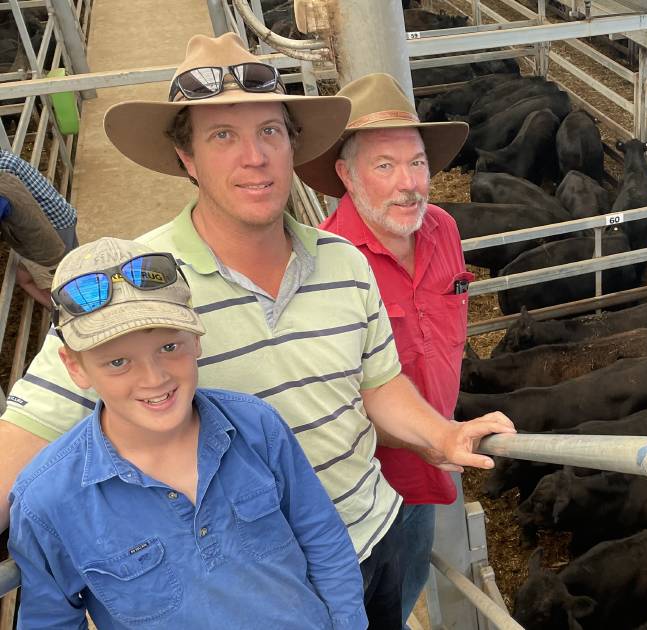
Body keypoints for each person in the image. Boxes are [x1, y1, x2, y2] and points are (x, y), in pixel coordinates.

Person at [0, 33, 514, 628]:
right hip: (263, 585)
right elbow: (26, 434)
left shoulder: (345, 261)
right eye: (224, 136)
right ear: (186, 159)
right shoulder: (136, 285)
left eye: (270, 131)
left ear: (293, 147)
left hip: (376, 528)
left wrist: (442, 434)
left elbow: (378, 383)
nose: (255, 156)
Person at [7, 237, 367, 629]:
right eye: (117, 361)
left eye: (168, 346)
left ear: (196, 338)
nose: (154, 378)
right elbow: (49, 621)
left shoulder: (257, 427)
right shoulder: (46, 501)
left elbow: (322, 537)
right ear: (74, 367)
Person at [296, 73, 471, 629]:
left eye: (417, 163)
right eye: (385, 166)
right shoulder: (324, 265)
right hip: (359, 485)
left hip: (430, 463)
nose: (409, 184)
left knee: (407, 583)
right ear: (345, 176)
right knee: (355, 605)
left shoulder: (443, 228)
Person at [0, 148, 80, 306]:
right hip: (62, 214)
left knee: (60, 280)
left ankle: (69, 312)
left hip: (51, 228)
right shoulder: (4, 158)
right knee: (71, 265)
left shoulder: (3, 173)